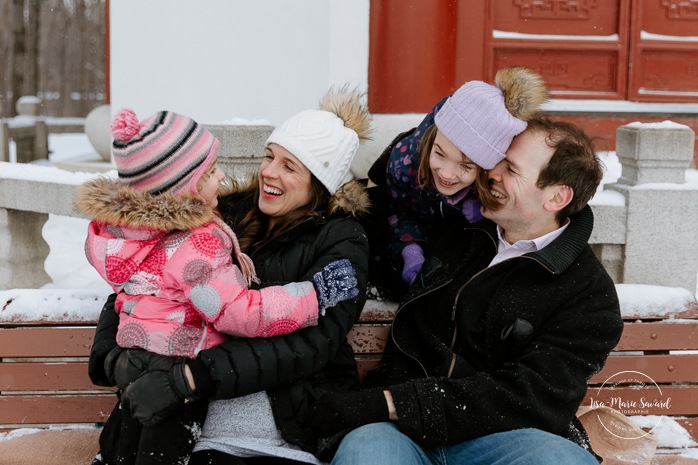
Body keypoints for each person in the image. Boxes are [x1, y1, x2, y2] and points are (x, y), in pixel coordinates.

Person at [310, 116, 625, 465]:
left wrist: (392, 402)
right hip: (400, 432)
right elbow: (395, 201)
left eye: (511, 169)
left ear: (556, 197)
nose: (491, 173)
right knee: (367, 456)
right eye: (496, 160)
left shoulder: (588, 293)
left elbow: (533, 398)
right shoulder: (455, 229)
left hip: (507, 440)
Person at [87, 86, 372, 465]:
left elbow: (311, 344)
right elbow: (142, 284)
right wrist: (112, 357)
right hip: (186, 421)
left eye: (289, 166)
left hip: (277, 431)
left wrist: (189, 379)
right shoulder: (222, 214)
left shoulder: (343, 241)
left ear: (319, 182)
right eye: (269, 156)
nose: (268, 172)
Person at [370, 67, 547, 296]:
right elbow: (398, 211)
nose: (447, 174)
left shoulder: (495, 183)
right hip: (414, 228)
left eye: (466, 166)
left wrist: (480, 214)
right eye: (440, 154)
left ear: (486, 168)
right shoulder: (404, 164)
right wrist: (409, 248)